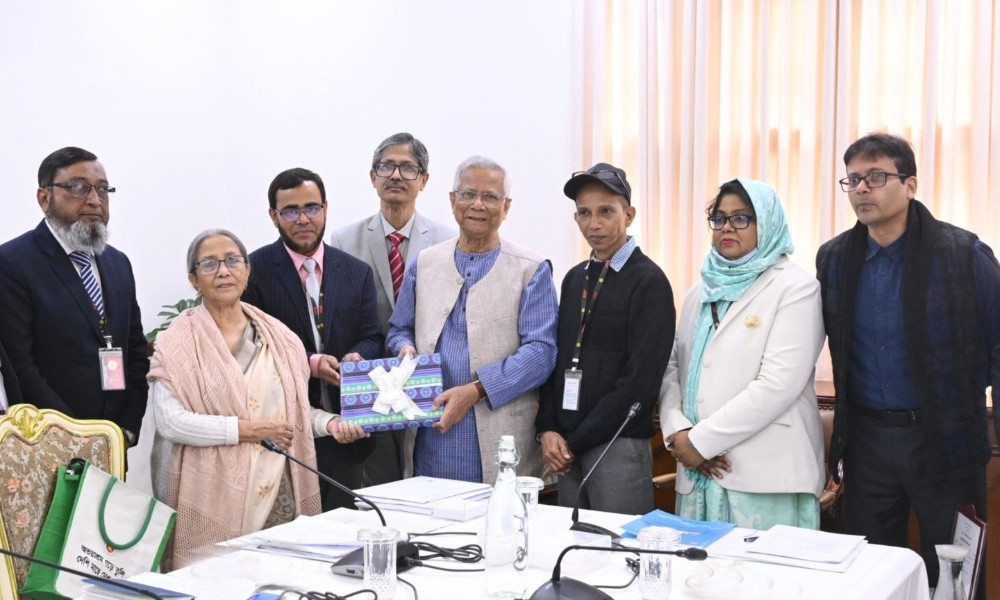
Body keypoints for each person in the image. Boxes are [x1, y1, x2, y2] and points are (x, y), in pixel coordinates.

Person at [816, 133, 1000, 593]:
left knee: (955, 578)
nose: (862, 188)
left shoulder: (964, 254)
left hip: (945, 441)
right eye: (854, 179)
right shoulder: (834, 258)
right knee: (873, 576)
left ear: (910, 185)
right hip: (868, 445)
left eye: (876, 176)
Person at [148, 229, 367, 567]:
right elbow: (171, 422)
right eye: (210, 264)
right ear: (193, 279)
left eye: (232, 260)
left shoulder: (279, 338)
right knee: (215, 581)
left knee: (281, 579)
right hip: (210, 498)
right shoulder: (176, 343)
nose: (223, 271)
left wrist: (331, 424)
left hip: (278, 490)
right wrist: (247, 431)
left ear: (247, 270)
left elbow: (295, 411)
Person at [659, 178, 826, 529]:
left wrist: (701, 441)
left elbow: (778, 384)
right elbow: (671, 366)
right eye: (719, 218)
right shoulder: (699, 291)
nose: (727, 227)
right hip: (696, 472)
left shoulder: (795, 288)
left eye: (741, 218)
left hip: (765, 476)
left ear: (767, 223)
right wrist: (679, 433)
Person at [386, 156, 558, 484]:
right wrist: (404, 348)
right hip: (431, 434)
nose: (477, 205)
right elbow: (399, 328)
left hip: (503, 435)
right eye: (468, 194)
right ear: (453, 200)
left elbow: (541, 353)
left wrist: (476, 390)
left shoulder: (531, 269)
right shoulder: (424, 263)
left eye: (490, 197)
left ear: (506, 207)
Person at [535, 163, 675, 514]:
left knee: (618, 544)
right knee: (571, 542)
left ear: (629, 215)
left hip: (617, 443)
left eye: (606, 212)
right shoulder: (574, 278)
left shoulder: (649, 281)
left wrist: (575, 441)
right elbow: (556, 360)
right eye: (584, 213)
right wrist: (547, 429)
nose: (594, 224)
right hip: (567, 448)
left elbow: (639, 383)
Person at [243, 168, 382, 510]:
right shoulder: (253, 272)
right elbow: (252, 346)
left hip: (347, 430)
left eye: (311, 208)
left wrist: (356, 356)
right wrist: (311, 363)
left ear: (325, 208)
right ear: (273, 216)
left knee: (342, 524)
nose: (303, 219)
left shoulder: (356, 271)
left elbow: (372, 336)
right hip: (284, 431)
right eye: (291, 211)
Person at [0, 147, 147, 445]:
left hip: (113, 440)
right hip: (48, 444)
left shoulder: (118, 263)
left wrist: (126, 429)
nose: (95, 200)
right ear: (44, 198)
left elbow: (135, 351)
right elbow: (20, 366)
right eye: (78, 187)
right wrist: (75, 435)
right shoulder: (13, 262)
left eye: (103, 189)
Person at [330, 132, 455, 485]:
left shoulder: (448, 241)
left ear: (423, 180)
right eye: (387, 166)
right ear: (373, 177)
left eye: (408, 168)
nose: (396, 175)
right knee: (379, 480)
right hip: (369, 380)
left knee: (423, 476)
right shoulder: (343, 240)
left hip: (426, 378)